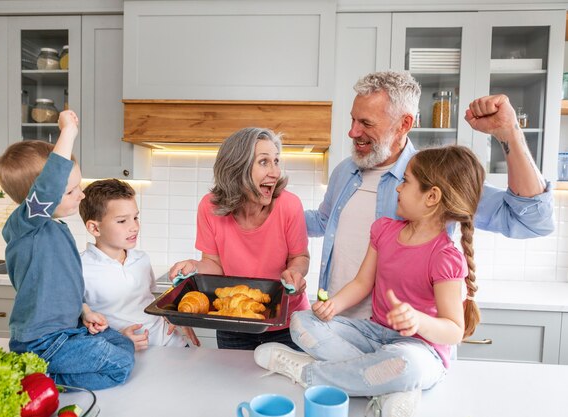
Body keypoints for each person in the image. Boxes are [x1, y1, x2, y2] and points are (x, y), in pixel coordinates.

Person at [254, 145, 486, 417]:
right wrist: (334, 306)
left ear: (431, 196)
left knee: (408, 365)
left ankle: (309, 372)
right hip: (375, 336)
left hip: (421, 349)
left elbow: (454, 331)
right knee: (302, 322)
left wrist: (418, 320)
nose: (398, 189)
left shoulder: (445, 257)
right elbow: (363, 282)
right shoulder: (384, 230)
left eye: (406, 181)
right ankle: (389, 387)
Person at [307, 71, 554, 319]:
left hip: (403, 336)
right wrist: (272, 207)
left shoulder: (438, 177)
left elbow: (531, 222)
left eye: (366, 123)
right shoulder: (345, 171)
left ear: (404, 124)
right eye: (353, 120)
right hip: (338, 325)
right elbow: (324, 221)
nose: (352, 132)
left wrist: (509, 132)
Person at [0, 111, 135, 390]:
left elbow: (60, 287)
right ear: (39, 197)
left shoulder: (55, 229)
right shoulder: (26, 226)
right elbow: (49, 187)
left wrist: (84, 311)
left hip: (69, 331)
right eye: (71, 191)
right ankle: (34, 376)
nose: (81, 195)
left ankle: (42, 372)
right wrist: (68, 131)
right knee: (120, 366)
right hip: (41, 341)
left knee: (123, 344)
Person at [168, 127, 310, 350]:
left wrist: (296, 272)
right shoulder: (210, 207)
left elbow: (300, 256)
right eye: (264, 162)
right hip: (232, 321)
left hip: (287, 323)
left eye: (276, 161)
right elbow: (214, 265)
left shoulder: (289, 205)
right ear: (237, 168)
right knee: (233, 384)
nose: (275, 172)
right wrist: (194, 266)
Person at [78, 178, 200, 350]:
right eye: (122, 221)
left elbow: (146, 300)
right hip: (130, 354)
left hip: (174, 344)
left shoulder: (141, 259)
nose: (134, 227)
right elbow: (79, 323)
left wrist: (172, 313)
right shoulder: (79, 267)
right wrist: (118, 340)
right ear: (94, 228)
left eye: (135, 217)